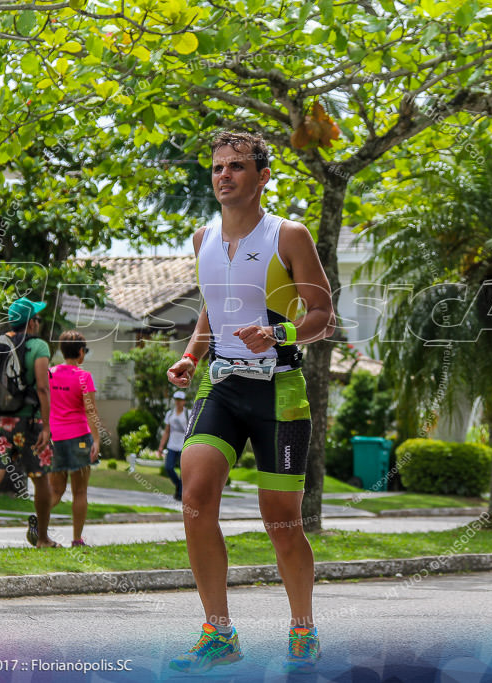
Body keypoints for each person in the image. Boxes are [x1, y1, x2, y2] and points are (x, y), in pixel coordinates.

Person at [165, 131, 336, 674]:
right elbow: (210, 313)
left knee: (281, 522)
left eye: (237, 166)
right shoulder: (202, 239)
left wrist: (280, 334)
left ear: (262, 177)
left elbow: (321, 313)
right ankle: (218, 631)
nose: (224, 175)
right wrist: (191, 356)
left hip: (280, 391)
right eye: (217, 167)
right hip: (224, 386)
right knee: (194, 494)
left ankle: (303, 628)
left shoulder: (289, 235)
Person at [0, 296, 56, 549]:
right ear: (31, 323)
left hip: (0, 422)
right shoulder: (39, 347)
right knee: (40, 477)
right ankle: (41, 538)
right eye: (38, 319)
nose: (39, 324)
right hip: (30, 423)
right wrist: (47, 426)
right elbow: (42, 387)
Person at [46, 330, 101, 547]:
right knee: (80, 491)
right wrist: (96, 440)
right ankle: (77, 539)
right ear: (80, 352)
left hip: (54, 439)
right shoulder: (83, 377)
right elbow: (91, 411)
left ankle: (38, 525)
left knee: (56, 491)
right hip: (79, 438)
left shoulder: (49, 374)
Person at [157, 390, 188, 501]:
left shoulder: (188, 414)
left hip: (183, 446)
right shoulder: (170, 413)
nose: (178, 402)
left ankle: (180, 494)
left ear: (184, 401)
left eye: (180, 400)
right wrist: (161, 447)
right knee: (168, 467)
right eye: (176, 400)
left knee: (183, 470)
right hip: (172, 445)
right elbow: (166, 431)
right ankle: (179, 486)